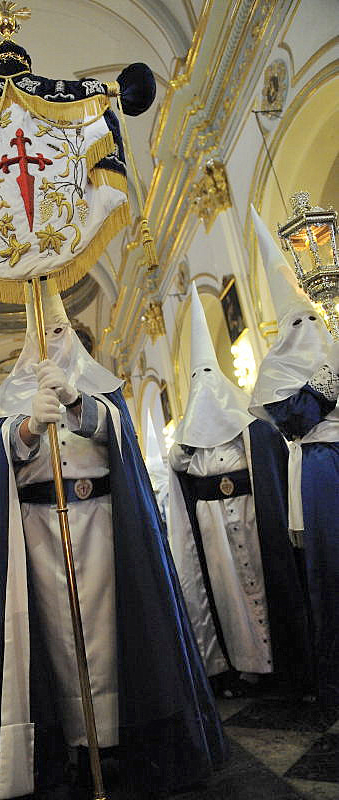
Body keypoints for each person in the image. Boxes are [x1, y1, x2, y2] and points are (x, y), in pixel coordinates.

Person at [0, 280, 226, 799]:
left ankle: (121, 739)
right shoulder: (10, 403)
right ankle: (73, 742)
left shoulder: (104, 390)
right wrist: (25, 429)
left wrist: (77, 404)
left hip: (103, 528)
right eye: (41, 333)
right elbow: (2, 460)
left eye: (59, 330)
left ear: (72, 334)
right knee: (58, 638)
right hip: (42, 534)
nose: (51, 341)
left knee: (113, 631)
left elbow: (118, 434)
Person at [168, 283, 311, 698]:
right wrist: (187, 444)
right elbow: (177, 471)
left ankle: (285, 663)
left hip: (253, 515)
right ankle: (246, 667)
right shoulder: (186, 441)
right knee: (230, 598)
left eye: (209, 374)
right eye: (197, 377)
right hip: (214, 530)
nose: (205, 385)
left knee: (268, 584)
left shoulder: (252, 426)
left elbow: (269, 464)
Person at [249, 206, 339, 705]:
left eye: (314, 318)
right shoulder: (276, 370)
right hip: (322, 465)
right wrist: (329, 377)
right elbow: (294, 420)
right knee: (333, 570)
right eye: (297, 321)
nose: (309, 328)